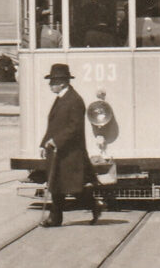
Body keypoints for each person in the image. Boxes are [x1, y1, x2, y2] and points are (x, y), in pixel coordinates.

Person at [38, 63, 103, 227]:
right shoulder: (61, 98)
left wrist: (56, 141)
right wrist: (43, 144)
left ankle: (94, 205)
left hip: (71, 152)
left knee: (74, 188)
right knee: (56, 185)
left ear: (62, 83)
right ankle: (55, 218)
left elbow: (74, 127)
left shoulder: (75, 100)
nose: (50, 85)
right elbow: (53, 125)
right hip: (59, 151)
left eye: (53, 82)